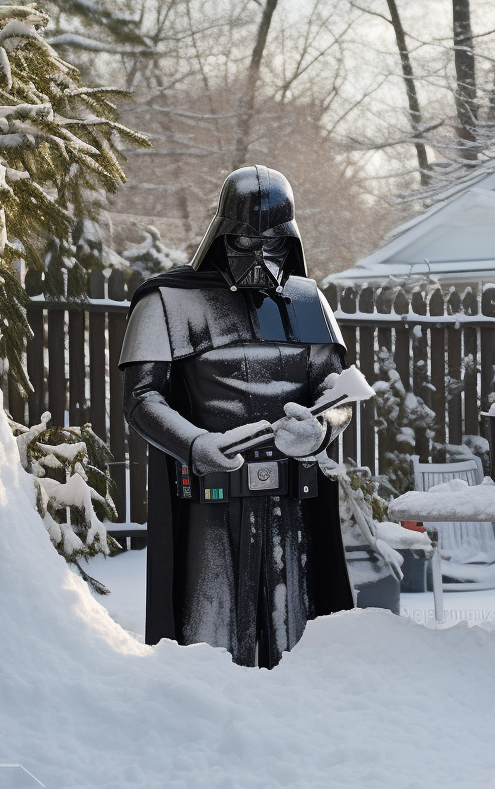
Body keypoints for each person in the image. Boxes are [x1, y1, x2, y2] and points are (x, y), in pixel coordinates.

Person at [119, 165, 354, 668]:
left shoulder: (308, 301)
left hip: (293, 505)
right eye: (247, 244)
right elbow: (142, 398)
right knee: (210, 642)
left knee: (299, 645)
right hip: (210, 504)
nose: (261, 259)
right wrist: (195, 444)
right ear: (222, 235)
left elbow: (337, 392)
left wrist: (320, 430)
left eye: (274, 246)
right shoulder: (168, 301)